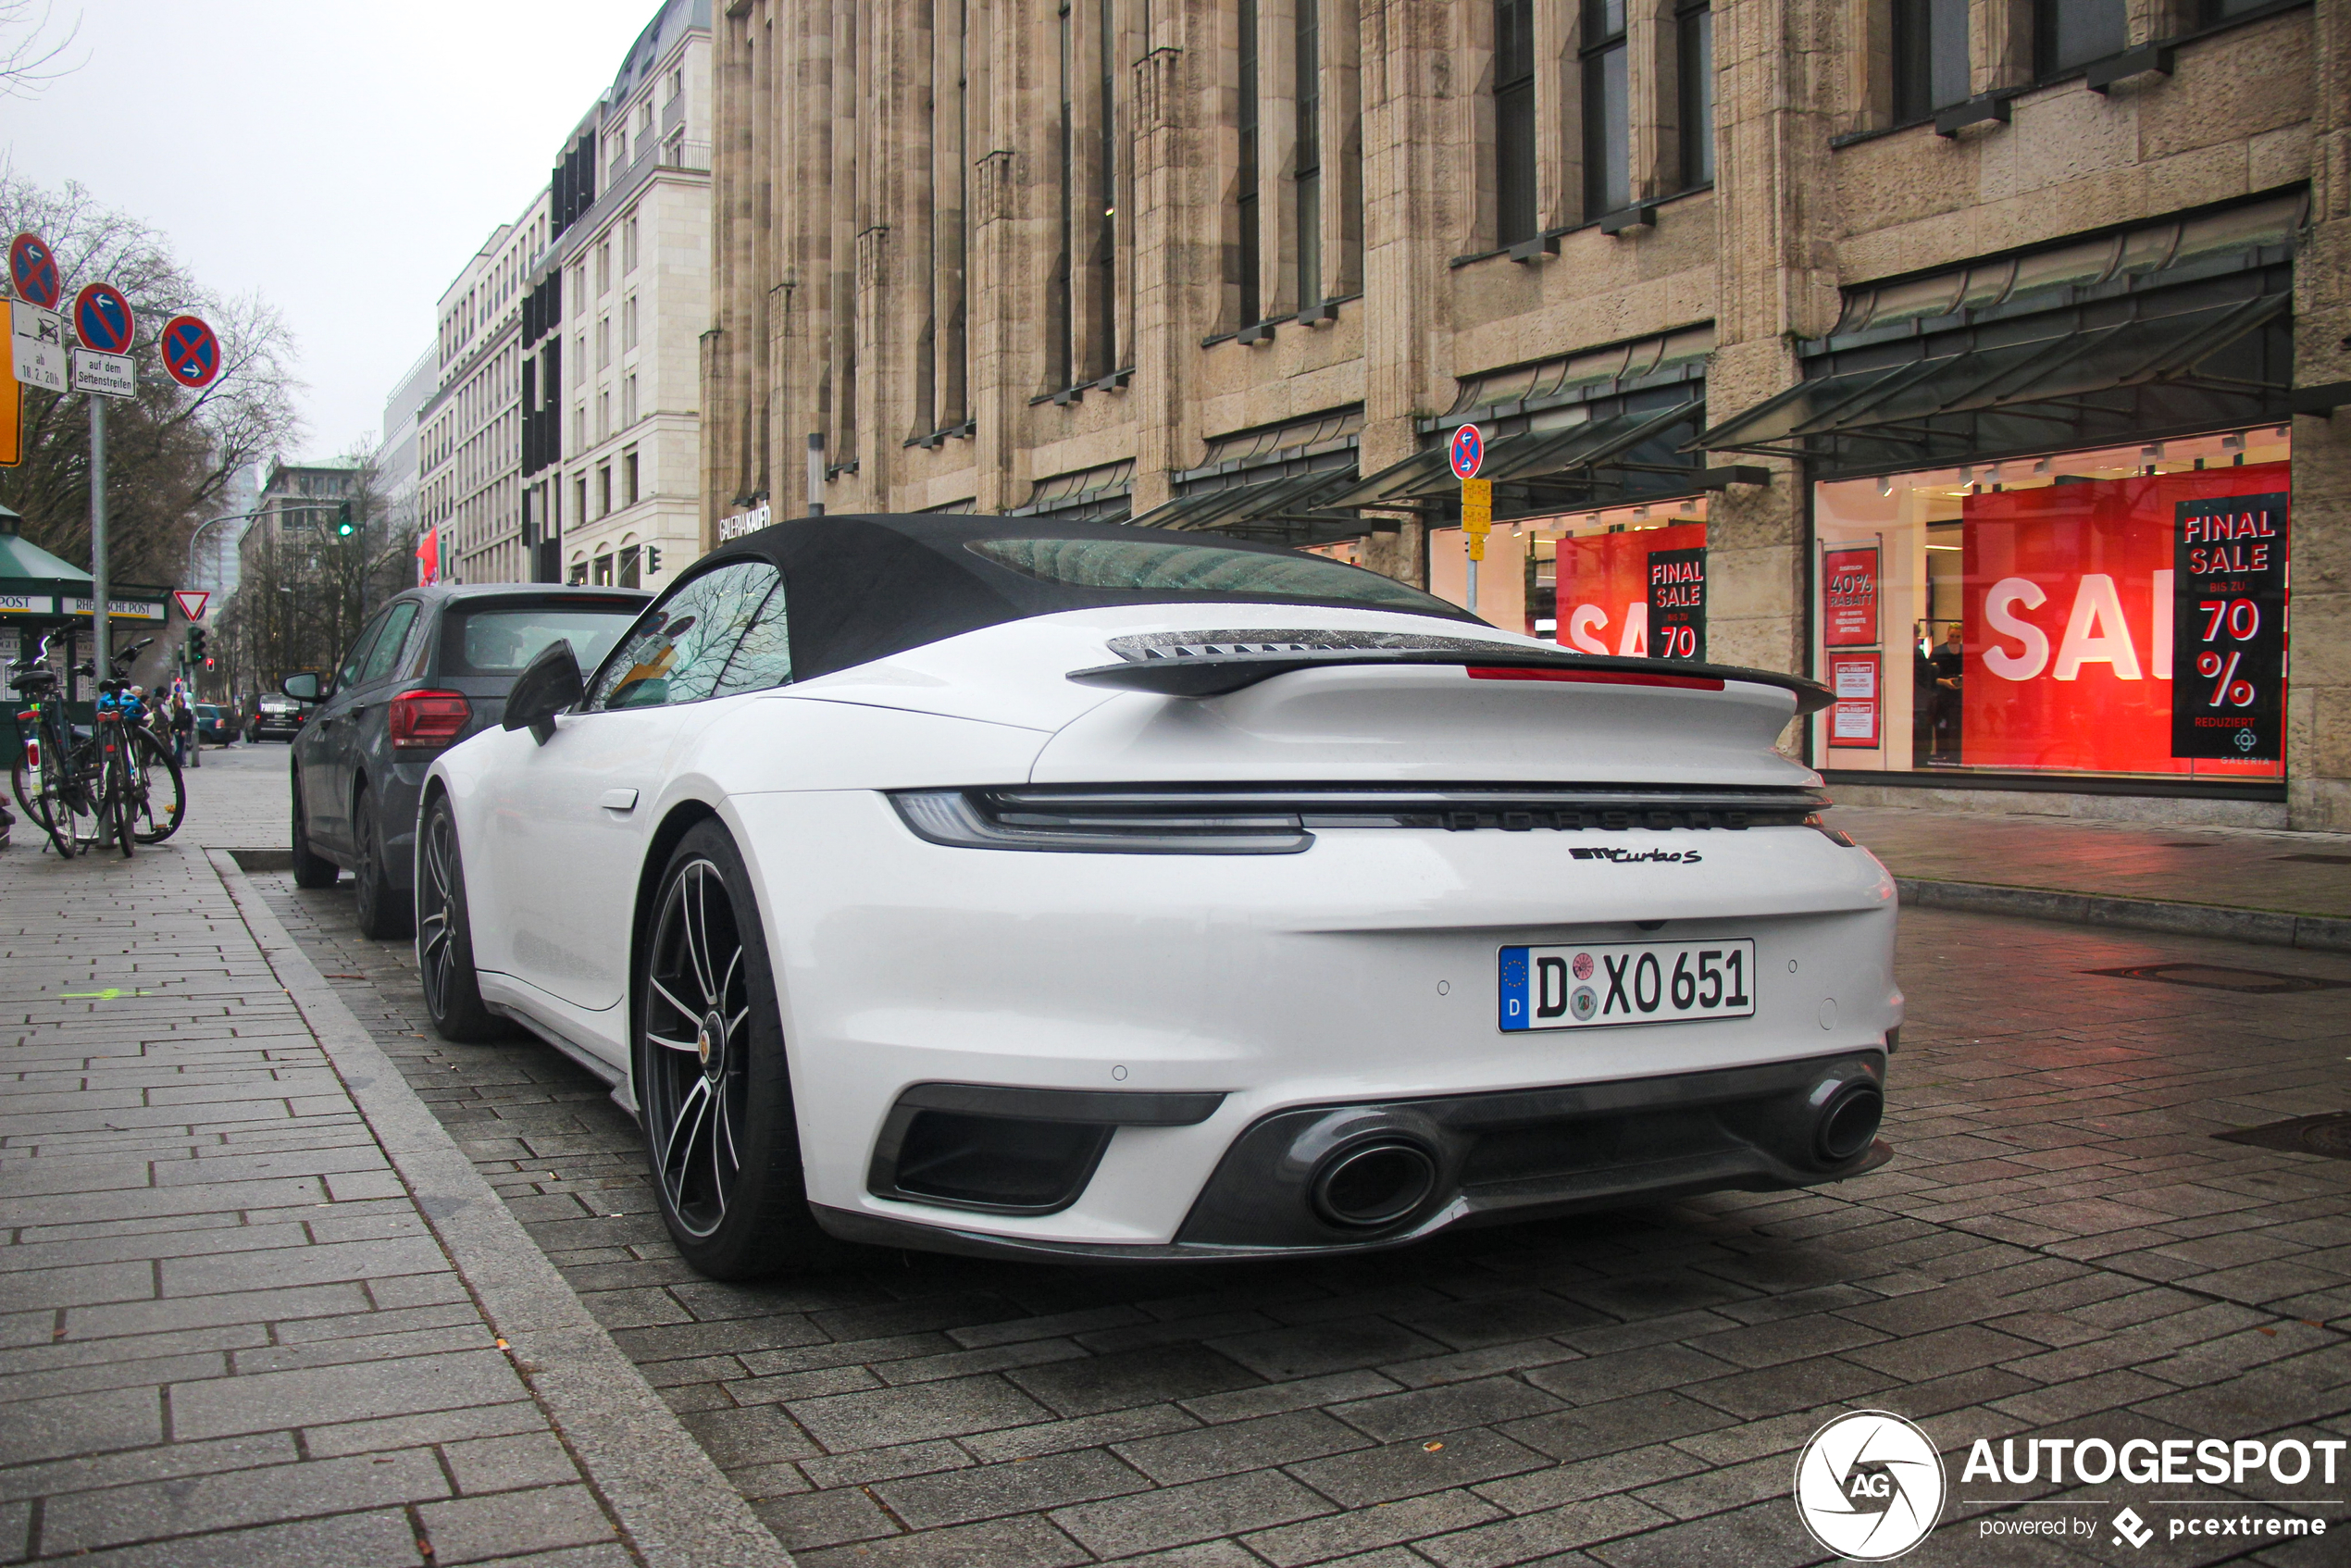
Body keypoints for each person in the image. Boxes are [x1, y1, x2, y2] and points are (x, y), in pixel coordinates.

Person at [1928, 623, 1964, 763]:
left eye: (1957, 636)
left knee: (1957, 724)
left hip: (1960, 692)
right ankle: (1942, 752)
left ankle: (1957, 753)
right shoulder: (1938, 651)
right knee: (1941, 723)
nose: (1954, 639)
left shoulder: (1965, 651)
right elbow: (1930, 675)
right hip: (1942, 692)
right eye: (1952, 636)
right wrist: (1943, 681)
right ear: (1947, 635)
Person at [169, 690, 195, 767]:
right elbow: (180, 721)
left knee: (179, 746)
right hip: (179, 730)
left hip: (177, 730)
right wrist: (182, 730)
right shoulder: (179, 711)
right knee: (180, 746)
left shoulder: (179, 710)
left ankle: (178, 761)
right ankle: (177, 760)